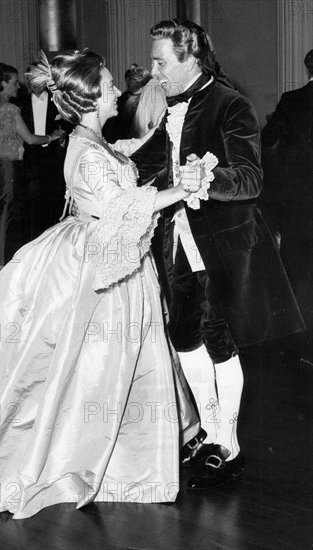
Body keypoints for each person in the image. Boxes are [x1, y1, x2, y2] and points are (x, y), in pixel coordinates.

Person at [0, 49, 199, 524]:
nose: (119, 89)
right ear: (94, 96)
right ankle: (87, 458)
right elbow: (122, 209)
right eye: (111, 84)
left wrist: (153, 148)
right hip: (97, 264)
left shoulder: (90, 139)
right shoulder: (87, 148)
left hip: (90, 251)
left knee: (91, 364)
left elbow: (114, 169)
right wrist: (184, 189)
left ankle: (107, 450)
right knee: (94, 363)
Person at [130, 20, 305, 489]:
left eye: (160, 61)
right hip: (177, 240)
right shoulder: (168, 103)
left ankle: (227, 444)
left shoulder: (232, 104)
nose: (154, 71)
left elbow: (250, 178)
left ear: (190, 58)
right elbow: (151, 162)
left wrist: (209, 179)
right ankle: (207, 429)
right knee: (184, 332)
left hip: (224, 241)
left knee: (218, 335)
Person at [0, 63, 65, 270]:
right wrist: (52, 136)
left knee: (1, 208)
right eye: (13, 82)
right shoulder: (10, 108)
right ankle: (2, 260)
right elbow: (30, 139)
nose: (18, 86)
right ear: (3, 83)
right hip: (10, 165)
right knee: (9, 210)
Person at [261, 49, 313, 327]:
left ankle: (299, 329)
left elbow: (268, 138)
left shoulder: (291, 100)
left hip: (298, 196)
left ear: (307, 70)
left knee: (296, 263)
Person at [6, 61, 72, 254]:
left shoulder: (58, 100)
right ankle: (33, 248)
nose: (35, 82)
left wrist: (61, 138)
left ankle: (54, 248)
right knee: (31, 205)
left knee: (54, 201)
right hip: (29, 158)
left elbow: (69, 124)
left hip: (53, 158)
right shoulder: (19, 103)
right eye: (31, 78)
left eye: (39, 77)